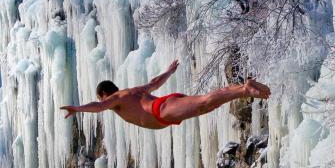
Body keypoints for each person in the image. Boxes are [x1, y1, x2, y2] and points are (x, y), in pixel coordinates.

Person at [60, 59, 270, 129]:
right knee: (207, 104)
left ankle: (244, 89)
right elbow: (154, 83)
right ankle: (243, 89)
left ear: (105, 93)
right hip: (163, 106)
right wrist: (169, 72)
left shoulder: (116, 99)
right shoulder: (131, 92)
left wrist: (77, 108)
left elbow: (98, 107)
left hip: (161, 111)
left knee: (205, 102)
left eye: (101, 98)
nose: (103, 102)